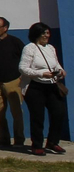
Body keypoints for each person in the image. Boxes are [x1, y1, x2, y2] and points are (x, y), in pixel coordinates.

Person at [19, 22, 68, 156]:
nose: (47, 35)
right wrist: (41, 73)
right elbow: (23, 68)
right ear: (37, 34)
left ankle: (52, 142)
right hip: (35, 87)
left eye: (48, 33)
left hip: (51, 85)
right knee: (37, 117)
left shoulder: (51, 48)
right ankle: (37, 145)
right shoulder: (30, 48)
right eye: (44, 33)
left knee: (59, 112)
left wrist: (61, 71)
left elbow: (56, 64)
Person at [0, 17, 26, 149]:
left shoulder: (15, 42)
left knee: (16, 112)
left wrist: (23, 81)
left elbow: (25, 61)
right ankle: (3, 139)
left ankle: (19, 140)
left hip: (13, 82)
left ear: (5, 28)